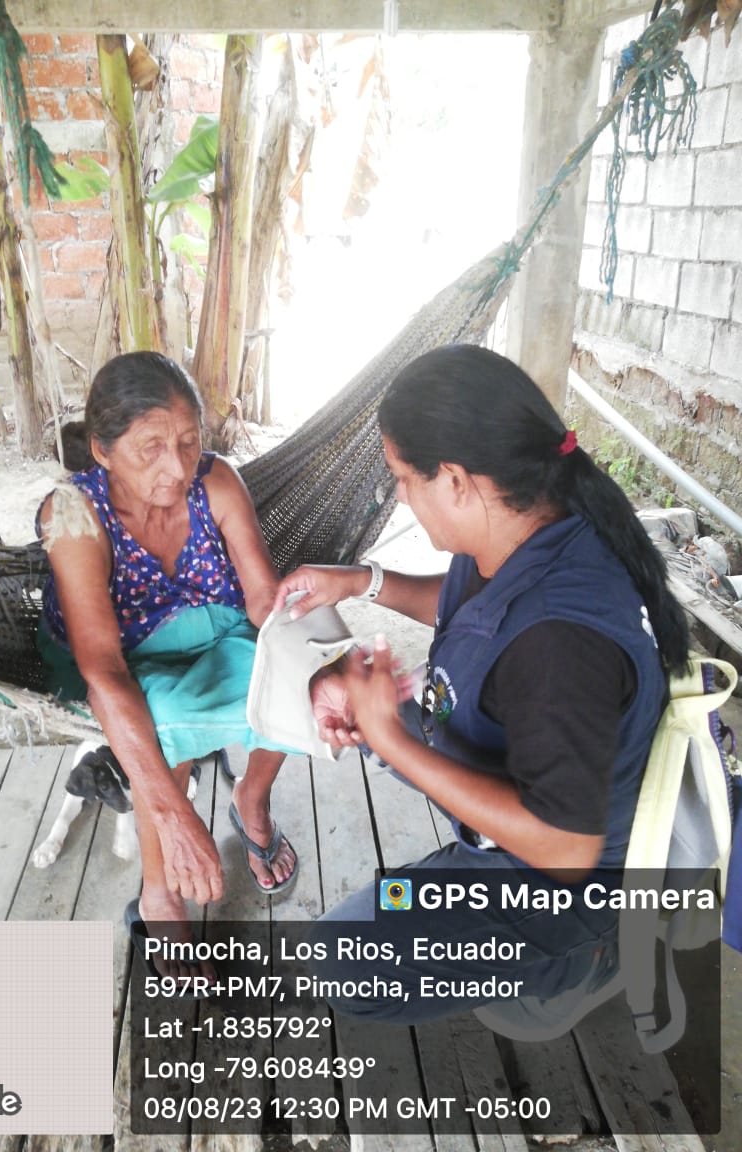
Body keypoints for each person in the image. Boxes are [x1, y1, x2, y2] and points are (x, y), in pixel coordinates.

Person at [276, 343, 690, 1024]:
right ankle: (465, 863)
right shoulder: (531, 529)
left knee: (341, 961)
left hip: (567, 889)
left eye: (402, 478)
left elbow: (565, 849)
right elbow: (468, 605)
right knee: (387, 727)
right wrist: (363, 582)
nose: (399, 495)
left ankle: (587, 960)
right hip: (532, 795)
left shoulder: (560, 647)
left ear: (456, 481)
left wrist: (390, 737)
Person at [36, 352, 297, 966]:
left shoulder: (216, 480)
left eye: (187, 441)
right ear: (102, 451)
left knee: (299, 687)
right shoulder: (73, 513)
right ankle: (159, 890)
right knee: (161, 722)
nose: (177, 468)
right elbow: (103, 671)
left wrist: (314, 651)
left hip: (222, 630)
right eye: (150, 448)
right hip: (131, 656)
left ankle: (250, 798)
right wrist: (178, 817)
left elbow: (262, 599)